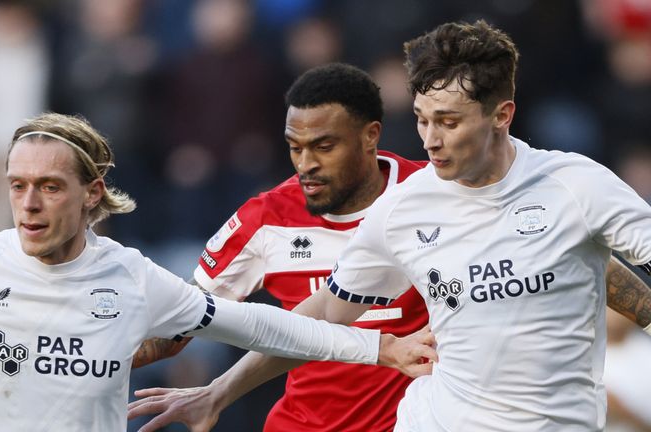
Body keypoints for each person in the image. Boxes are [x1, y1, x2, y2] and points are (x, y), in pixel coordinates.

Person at [129, 21, 651, 432]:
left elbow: (590, 265)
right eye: (422, 118)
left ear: (502, 114)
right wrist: (219, 391)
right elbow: (322, 313)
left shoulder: (574, 185)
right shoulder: (404, 208)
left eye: (448, 121)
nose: (431, 138)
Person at [0, 113, 437, 432]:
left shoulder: (131, 279)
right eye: (17, 185)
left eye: (50, 187)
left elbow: (261, 325)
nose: (29, 204)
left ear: (91, 193)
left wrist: (380, 349)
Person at [132, 62, 429, 431]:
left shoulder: (428, 195)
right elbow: (181, 323)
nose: (306, 165)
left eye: (323, 147)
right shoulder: (266, 218)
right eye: (295, 147)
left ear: (370, 136)